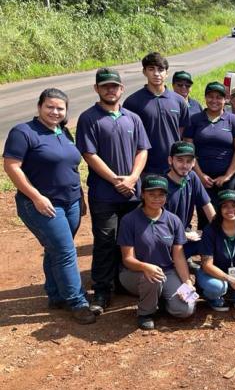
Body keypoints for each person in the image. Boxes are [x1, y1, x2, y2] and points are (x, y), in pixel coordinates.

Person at [3, 88, 100, 324]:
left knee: (56, 249)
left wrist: (81, 198)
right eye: (50, 107)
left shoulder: (64, 132)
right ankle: (77, 302)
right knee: (66, 251)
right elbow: (11, 166)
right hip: (41, 204)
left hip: (72, 202)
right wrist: (36, 196)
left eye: (60, 108)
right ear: (39, 107)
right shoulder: (24, 132)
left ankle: (56, 295)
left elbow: (72, 168)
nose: (55, 112)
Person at [76, 68, 150, 310]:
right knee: (106, 240)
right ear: (96, 89)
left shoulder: (133, 118)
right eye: (105, 86)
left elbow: (142, 150)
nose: (111, 90)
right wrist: (116, 180)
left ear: (122, 89)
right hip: (104, 194)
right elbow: (89, 154)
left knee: (130, 240)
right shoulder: (89, 118)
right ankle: (101, 289)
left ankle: (123, 282)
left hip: (132, 192)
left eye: (114, 86)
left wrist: (133, 178)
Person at [117, 175, 197, 330]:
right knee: (153, 279)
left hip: (167, 271)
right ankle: (145, 312)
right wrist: (145, 267)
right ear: (143, 194)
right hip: (134, 273)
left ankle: (161, 300)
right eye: (151, 194)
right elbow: (127, 259)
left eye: (161, 194)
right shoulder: (129, 220)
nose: (156, 198)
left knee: (187, 308)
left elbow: (179, 257)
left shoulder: (173, 220)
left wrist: (187, 282)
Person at [183, 82, 235, 229]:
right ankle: (206, 249)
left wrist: (227, 176)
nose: (214, 100)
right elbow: (189, 149)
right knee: (204, 214)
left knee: (228, 213)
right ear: (205, 98)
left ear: (226, 100)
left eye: (219, 97)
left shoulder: (234, 121)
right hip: (202, 176)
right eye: (210, 97)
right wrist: (199, 175)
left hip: (228, 178)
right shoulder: (195, 120)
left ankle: (226, 248)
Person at [123, 52, 190, 174]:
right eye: (151, 69)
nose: (156, 74)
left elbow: (182, 131)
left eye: (160, 69)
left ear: (166, 73)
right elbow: (128, 137)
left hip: (173, 167)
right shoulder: (132, 102)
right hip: (145, 168)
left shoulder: (178, 101)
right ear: (144, 72)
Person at [163, 141, 215, 258]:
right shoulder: (162, 186)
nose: (185, 165)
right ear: (170, 160)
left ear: (194, 163)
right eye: (180, 160)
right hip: (166, 239)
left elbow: (207, 206)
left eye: (189, 161)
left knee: (215, 239)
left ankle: (207, 270)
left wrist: (220, 228)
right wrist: (184, 235)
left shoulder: (192, 177)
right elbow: (158, 224)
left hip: (185, 235)